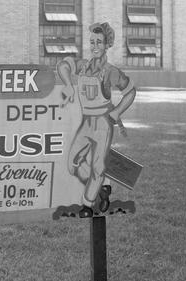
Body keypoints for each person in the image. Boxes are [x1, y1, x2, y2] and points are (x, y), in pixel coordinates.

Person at [57, 22, 136, 217]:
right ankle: (101, 188)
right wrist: (67, 84)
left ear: (107, 44)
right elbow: (63, 64)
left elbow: (130, 92)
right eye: (92, 41)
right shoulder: (83, 66)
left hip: (102, 124)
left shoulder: (110, 71)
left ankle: (87, 204)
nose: (94, 46)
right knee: (72, 163)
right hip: (86, 123)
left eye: (99, 42)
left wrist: (116, 113)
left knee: (98, 166)